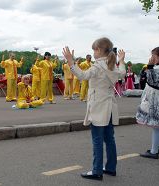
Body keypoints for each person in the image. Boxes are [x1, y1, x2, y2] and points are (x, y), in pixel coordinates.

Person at [63, 37, 126, 181]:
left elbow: (82, 75)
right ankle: (110, 167)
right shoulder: (112, 66)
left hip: (98, 107)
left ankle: (97, 170)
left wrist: (70, 61)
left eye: (94, 50)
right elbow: (122, 72)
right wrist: (121, 59)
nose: (93, 52)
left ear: (98, 50)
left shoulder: (98, 66)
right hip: (110, 107)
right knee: (109, 139)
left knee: (97, 139)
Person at [136, 46, 159, 159]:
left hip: (157, 100)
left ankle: (154, 151)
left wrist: (150, 67)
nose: (151, 58)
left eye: (153, 56)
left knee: (157, 126)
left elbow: (152, 80)